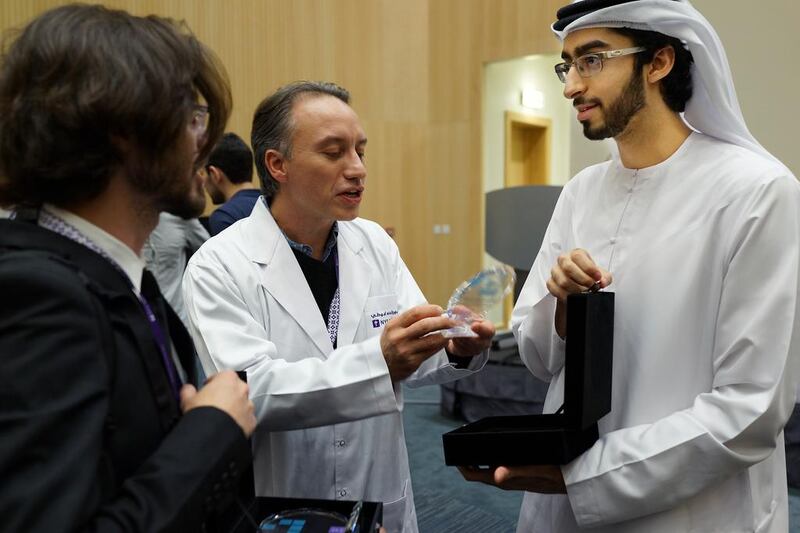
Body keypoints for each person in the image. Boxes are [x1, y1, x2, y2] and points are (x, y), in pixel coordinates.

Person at [459, 1, 800, 532]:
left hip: (694, 510)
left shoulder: (757, 191)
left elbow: (751, 408)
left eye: (592, 60)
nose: (571, 86)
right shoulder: (581, 191)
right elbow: (537, 356)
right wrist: (564, 311)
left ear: (659, 62)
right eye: (566, 65)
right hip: (564, 497)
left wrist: (589, 476)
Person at [182, 80, 495, 533]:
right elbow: (252, 392)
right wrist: (378, 361)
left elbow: (409, 354)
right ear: (278, 164)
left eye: (360, 151)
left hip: (379, 487)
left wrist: (453, 348)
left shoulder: (373, 244)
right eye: (334, 152)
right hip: (283, 495)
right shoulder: (218, 265)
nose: (357, 169)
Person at [0, 5, 256, 532]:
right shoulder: (40, 295)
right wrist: (211, 432)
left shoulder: (117, 275)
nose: (203, 143)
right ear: (122, 127)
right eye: (191, 118)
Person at [204, 132, 260, 235]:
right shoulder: (274, 204)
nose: (203, 184)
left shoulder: (224, 217)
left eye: (204, 174)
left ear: (215, 174)